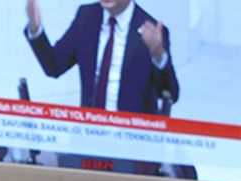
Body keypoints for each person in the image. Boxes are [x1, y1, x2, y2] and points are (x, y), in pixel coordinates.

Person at [24, 0, 178, 114]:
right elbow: (54, 66)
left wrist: (158, 53)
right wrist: (35, 29)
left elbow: (170, 93)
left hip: (132, 138)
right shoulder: (86, 17)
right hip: (89, 134)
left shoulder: (153, 31)